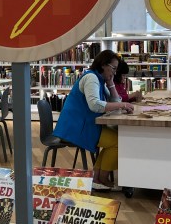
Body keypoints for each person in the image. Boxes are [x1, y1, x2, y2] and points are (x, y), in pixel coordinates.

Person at [54, 49, 134, 191]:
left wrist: (111, 84)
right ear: (104, 65)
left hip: (84, 124)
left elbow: (114, 100)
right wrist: (122, 104)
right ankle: (101, 178)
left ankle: (97, 177)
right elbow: (95, 105)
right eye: (113, 68)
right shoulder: (91, 78)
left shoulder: (99, 79)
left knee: (115, 140)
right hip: (77, 127)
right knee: (117, 142)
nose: (115, 73)